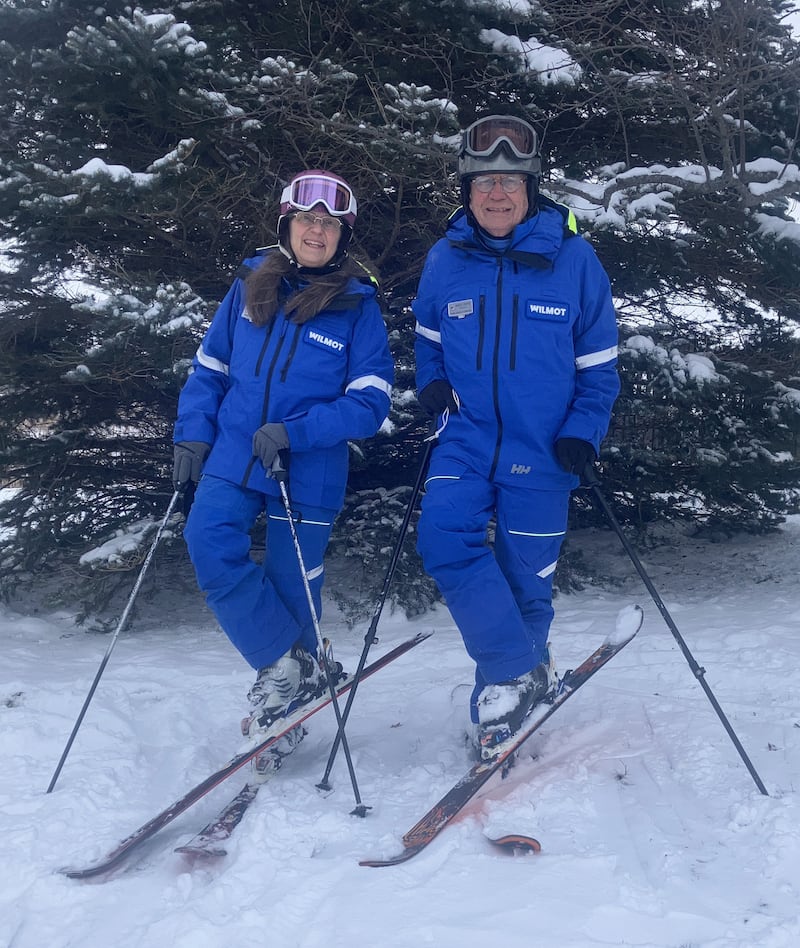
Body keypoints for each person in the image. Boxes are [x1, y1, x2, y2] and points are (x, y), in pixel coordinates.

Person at [172, 170, 393, 778]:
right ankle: (286, 665)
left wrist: (299, 431)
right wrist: (192, 430)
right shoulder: (249, 285)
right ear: (286, 226)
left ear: (341, 236)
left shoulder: (356, 307)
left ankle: (287, 689)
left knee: (294, 582)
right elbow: (210, 368)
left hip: (308, 464)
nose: (316, 230)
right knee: (208, 541)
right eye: (306, 220)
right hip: (235, 452)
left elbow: (371, 401)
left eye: (328, 223)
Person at [413, 114, 620, 759]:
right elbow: (428, 340)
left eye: (509, 182)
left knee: (526, 576)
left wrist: (584, 431)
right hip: (466, 439)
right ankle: (516, 670)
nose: (496, 195)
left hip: (545, 447)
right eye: (483, 183)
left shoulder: (574, 259)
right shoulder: (446, 259)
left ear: (530, 188)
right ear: (467, 190)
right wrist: (431, 386)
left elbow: (599, 362)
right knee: (444, 541)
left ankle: (500, 695)